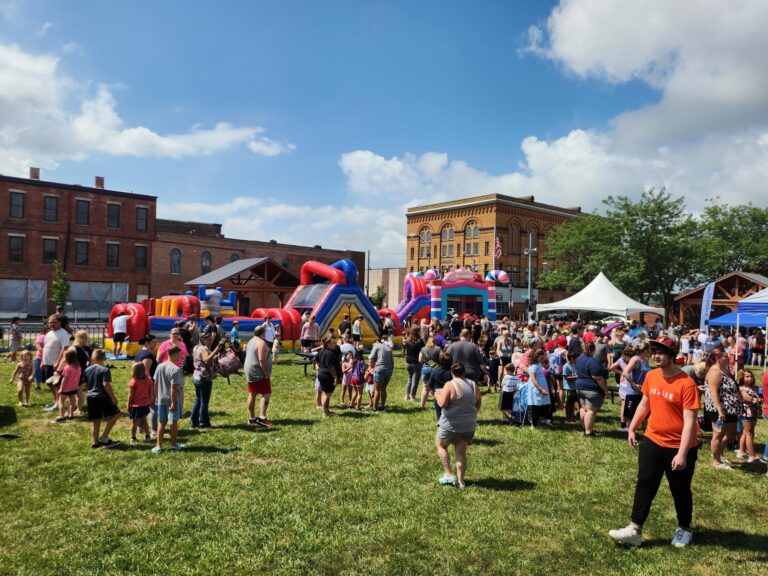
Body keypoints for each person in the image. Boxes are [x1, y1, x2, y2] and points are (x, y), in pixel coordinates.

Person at [609, 336, 700, 548]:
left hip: (679, 446)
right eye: (654, 351)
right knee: (645, 484)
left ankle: (684, 528)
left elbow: (689, 423)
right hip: (652, 440)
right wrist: (632, 428)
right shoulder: (651, 376)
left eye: (661, 352)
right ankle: (634, 528)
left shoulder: (686, 383)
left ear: (672, 355)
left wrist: (682, 453)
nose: (656, 355)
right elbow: (644, 404)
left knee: (680, 488)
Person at [434, 362, 482, 489]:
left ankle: (448, 474)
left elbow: (442, 404)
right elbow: (478, 403)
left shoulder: (450, 384)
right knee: (461, 453)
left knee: (441, 445)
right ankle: (461, 482)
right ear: (464, 371)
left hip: (450, 424)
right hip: (468, 425)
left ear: (452, 372)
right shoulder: (473, 384)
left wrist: (437, 395)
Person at [704, 347, 743, 470]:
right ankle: (716, 461)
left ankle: (719, 453)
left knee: (731, 432)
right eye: (726, 356)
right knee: (718, 435)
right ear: (717, 358)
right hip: (719, 410)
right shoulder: (715, 372)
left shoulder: (724, 370)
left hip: (731, 409)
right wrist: (720, 409)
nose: (729, 357)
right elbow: (713, 392)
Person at [84, 349, 121, 448]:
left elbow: (86, 385)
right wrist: (113, 398)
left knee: (96, 421)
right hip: (102, 397)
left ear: (93, 358)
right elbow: (106, 384)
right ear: (104, 358)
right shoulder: (105, 370)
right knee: (116, 414)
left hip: (91, 397)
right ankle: (104, 437)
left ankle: (95, 442)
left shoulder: (87, 370)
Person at [152, 345, 186, 453]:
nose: (181, 356)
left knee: (161, 422)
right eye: (180, 354)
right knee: (173, 423)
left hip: (161, 399)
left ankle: (158, 446)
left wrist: (156, 396)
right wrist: (173, 402)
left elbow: (156, 383)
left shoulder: (160, 366)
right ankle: (174, 445)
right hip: (172, 400)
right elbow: (173, 388)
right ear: (174, 354)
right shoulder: (175, 369)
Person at [575, 341, 609, 437]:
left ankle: (584, 427)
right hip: (591, 389)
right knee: (591, 410)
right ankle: (589, 432)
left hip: (579, 387)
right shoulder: (593, 361)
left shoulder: (579, 359)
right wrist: (605, 390)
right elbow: (598, 377)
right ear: (594, 349)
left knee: (584, 408)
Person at [244, 324, 273, 427]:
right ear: (263, 333)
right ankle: (262, 418)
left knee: (252, 393)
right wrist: (266, 374)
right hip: (258, 372)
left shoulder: (251, 341)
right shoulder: (261, 343)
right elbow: (261, 360)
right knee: (266, 393)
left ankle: (252, 418)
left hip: (249, 371)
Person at [191, 331, 221, 428]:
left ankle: (194, 421)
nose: (210, 341)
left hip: (196, 376)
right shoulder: (204, 349)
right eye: (208, 340)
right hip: (204, 378)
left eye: (211, 339)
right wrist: (216, 351)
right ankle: (204, 422)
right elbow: (206, 360)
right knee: (204, 401)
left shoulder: (196, 347)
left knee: (198, 400)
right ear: (203, 340)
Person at [42, 314, 70, 412]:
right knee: (49, 383)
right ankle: (56, 401)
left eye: (54, 322)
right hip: (47, 362)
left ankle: (58, 404)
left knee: (56, 384)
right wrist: (42, 361)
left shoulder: (63, 333)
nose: (51, 324)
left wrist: (58, 362)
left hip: (56, 364)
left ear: (60, 323)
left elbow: (65, 349)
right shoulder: (49, 333)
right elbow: (45, 347)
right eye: (50, 322)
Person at [621, 343, 650, 432]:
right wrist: (633, 384)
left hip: (643, 391)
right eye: (650, 350)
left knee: (644, 414)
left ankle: (646, 435)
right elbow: (625, 372)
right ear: (645, 351)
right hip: (633, 392)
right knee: (631, 415)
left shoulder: (645, 360)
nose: (651, 352)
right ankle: (632, 434)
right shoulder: (635, 359)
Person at [736, 369, 762, 463]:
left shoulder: (754, 388)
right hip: (746, 413)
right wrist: (758, 400)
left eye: (751, 376)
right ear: (742, 378)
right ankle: (752, 456)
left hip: (753, 413)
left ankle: (742, 451)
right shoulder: (742, 389)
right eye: (747, 377)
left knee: (746, 432)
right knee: (749, 434)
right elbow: (748, 399)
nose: (750, 378)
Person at [127, 362, 154, 443]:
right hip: (145, 404)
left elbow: (130, 395)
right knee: (144, 420)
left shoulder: (133, 381)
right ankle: (147, 436)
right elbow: (151, 392)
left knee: (134, 422)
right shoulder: (148, 380)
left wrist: (128, 404)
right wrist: (150, 399)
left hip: (135, 405)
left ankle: (133, 438)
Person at [315, 335, 341, 417]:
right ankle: (325, 413)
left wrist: (317, 365)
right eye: (333, 343)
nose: (335, 345)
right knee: (327, 395)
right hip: (327, 376)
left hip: (322, 374)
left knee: (325, 393)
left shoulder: (322, 350)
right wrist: (335, 377)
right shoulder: (329, 353)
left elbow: (316, 359)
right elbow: (331, 367)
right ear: (328, 344)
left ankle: (326, 410)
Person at [53, 348, 81, 423]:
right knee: (72, 402)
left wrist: (61, 389)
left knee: (61, 401)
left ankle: (62, 416)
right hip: (74, 387)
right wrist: (77, 385)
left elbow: (64, 380)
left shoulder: (67, 368)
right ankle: (71, 415)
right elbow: (78, 377)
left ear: (67, 358)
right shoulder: (78, 367)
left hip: (66, 388)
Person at [369, 333, 395, 411]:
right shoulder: (388, 348)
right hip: (388, 369)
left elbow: (371, 358)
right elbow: (392, 361)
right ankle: (382, 406)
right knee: (383, 389)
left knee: (377, 390)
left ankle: (375, 407)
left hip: (379, 368)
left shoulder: (376, 346)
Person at [527, 350, 552, 428]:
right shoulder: (533, 366)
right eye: (541, 358)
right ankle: (534, 424)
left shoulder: (539, 364)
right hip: (536, 389)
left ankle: (539, 422)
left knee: (541, 405)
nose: (543, 359)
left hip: (541, 388)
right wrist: (541, 389)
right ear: (536, 357)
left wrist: (544, 354)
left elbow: (546, 358)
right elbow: (533, 379)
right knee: (535, 407)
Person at [403, 327, 425, 401]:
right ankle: (413, 396)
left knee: (410, 378)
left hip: (408, 361)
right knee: (415, 380)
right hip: (416, 362)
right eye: (419, 331)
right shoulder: (420, 341)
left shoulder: (407, 340)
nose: (420, 332)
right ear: (417, 332)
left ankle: (407, 395)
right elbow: (424, 351)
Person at [562, 352, 580, 422]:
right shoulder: (566, 366)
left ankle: (572, 416)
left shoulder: (574, 365)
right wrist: (576, 377)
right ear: (572, 358)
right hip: (568, 388)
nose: (577, 360)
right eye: (575, 359)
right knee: (568, 404)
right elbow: (565, 377)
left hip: (575, 387)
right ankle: (568, 418)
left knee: (573, 404)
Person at [34, 324, 48, 391]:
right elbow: (38, 346)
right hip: (40, 357)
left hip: (49, 358)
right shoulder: (42, 336)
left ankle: (39, 385)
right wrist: (46, 353)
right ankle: (37, 386)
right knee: (38, 371)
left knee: (42, 372)